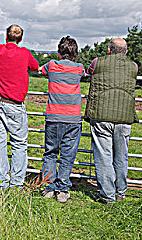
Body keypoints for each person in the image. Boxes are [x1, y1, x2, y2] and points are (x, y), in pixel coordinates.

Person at [0, 25, 39, 189]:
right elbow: (35, 67)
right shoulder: (25, 53)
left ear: (6, 37)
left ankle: (2, 181)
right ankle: (16, 182)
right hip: (14, 105)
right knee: (19, 144)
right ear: (20, 39)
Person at [85, 38, 138, 204]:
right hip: (124, 116)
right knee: (121, 156)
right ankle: (120, 192)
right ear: (126, 51)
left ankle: (108, 195)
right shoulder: (134, 66)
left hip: (101, 115)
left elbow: (89, 71)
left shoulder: (97, 62)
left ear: (109, 50)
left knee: (103, 156)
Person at [39, 36, 86, 203]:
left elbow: (41, 70)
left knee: (50, 153)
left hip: (53, 116)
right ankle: (62, 189)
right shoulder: (79, 68)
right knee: (68, 155)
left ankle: (48, 187)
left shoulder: (51, 65)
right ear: (75, 53)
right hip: (73, 118)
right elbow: (84, 74)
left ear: (59, 52)